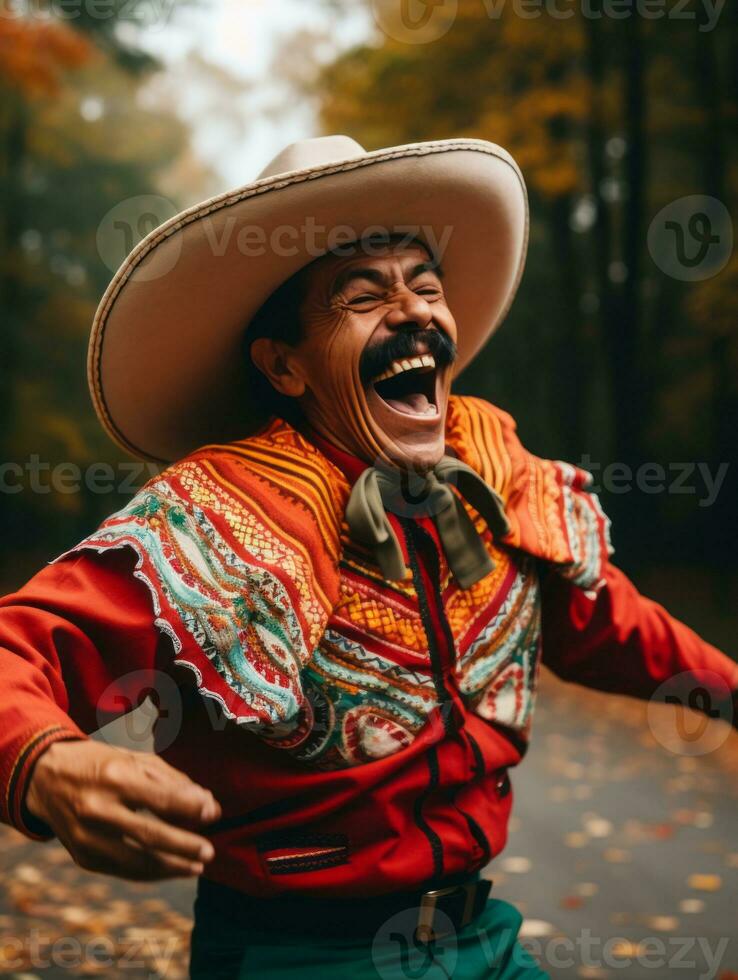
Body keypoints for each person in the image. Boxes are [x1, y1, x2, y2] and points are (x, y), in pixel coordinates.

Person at [0, 136, 735, 979]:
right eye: (365, 296)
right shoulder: (214, 514)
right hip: (297, 956)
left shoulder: (493, 472)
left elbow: (601, 621)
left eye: (428, 286)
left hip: (486, 937)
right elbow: (18, 649)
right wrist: (43, 763)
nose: (416, 311)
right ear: (284, 366)